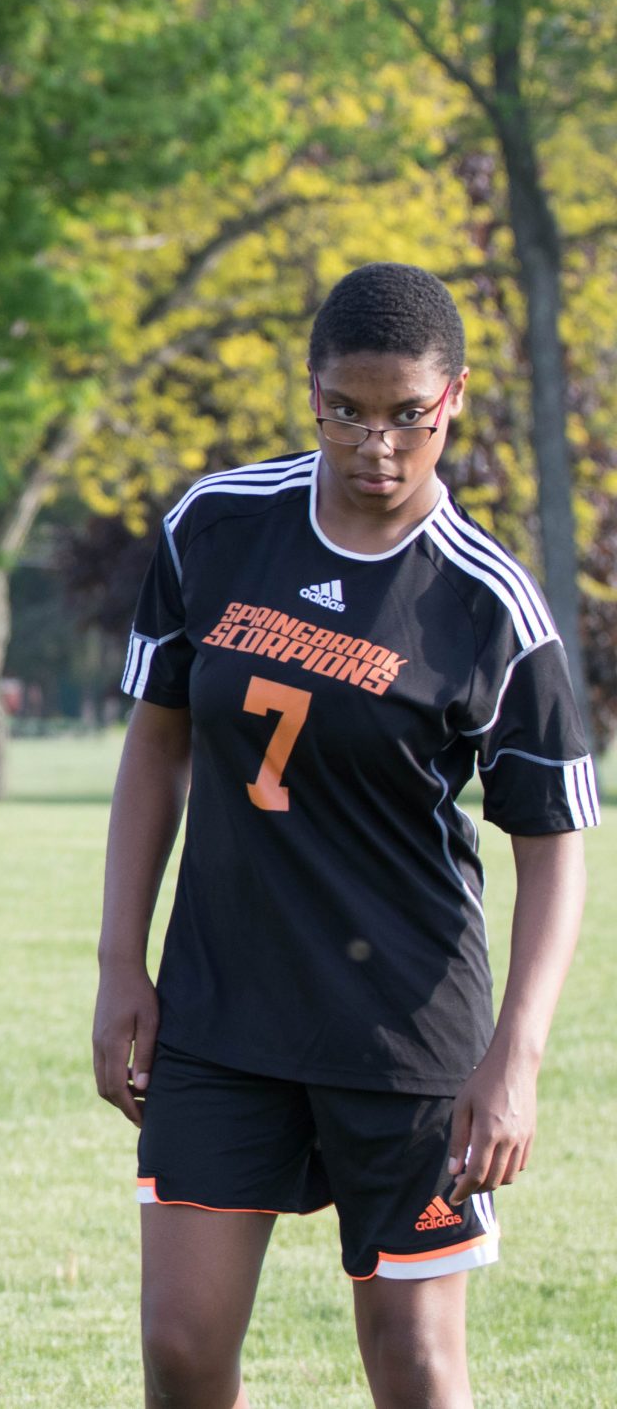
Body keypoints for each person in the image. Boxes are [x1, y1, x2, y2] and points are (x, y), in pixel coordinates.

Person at [92, 261, 594, 1409]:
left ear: (452, 400)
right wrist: (123, 964)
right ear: (310, 393)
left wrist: (513, 1056)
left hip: (405, 1037)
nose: (376, 442)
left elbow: (554, 842)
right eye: (345, 412)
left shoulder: (489, 609)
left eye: (406, 414)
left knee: (415, 1366)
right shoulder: (213, 527)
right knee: (178, 1344)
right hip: (221, 1011)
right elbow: (156, 745)